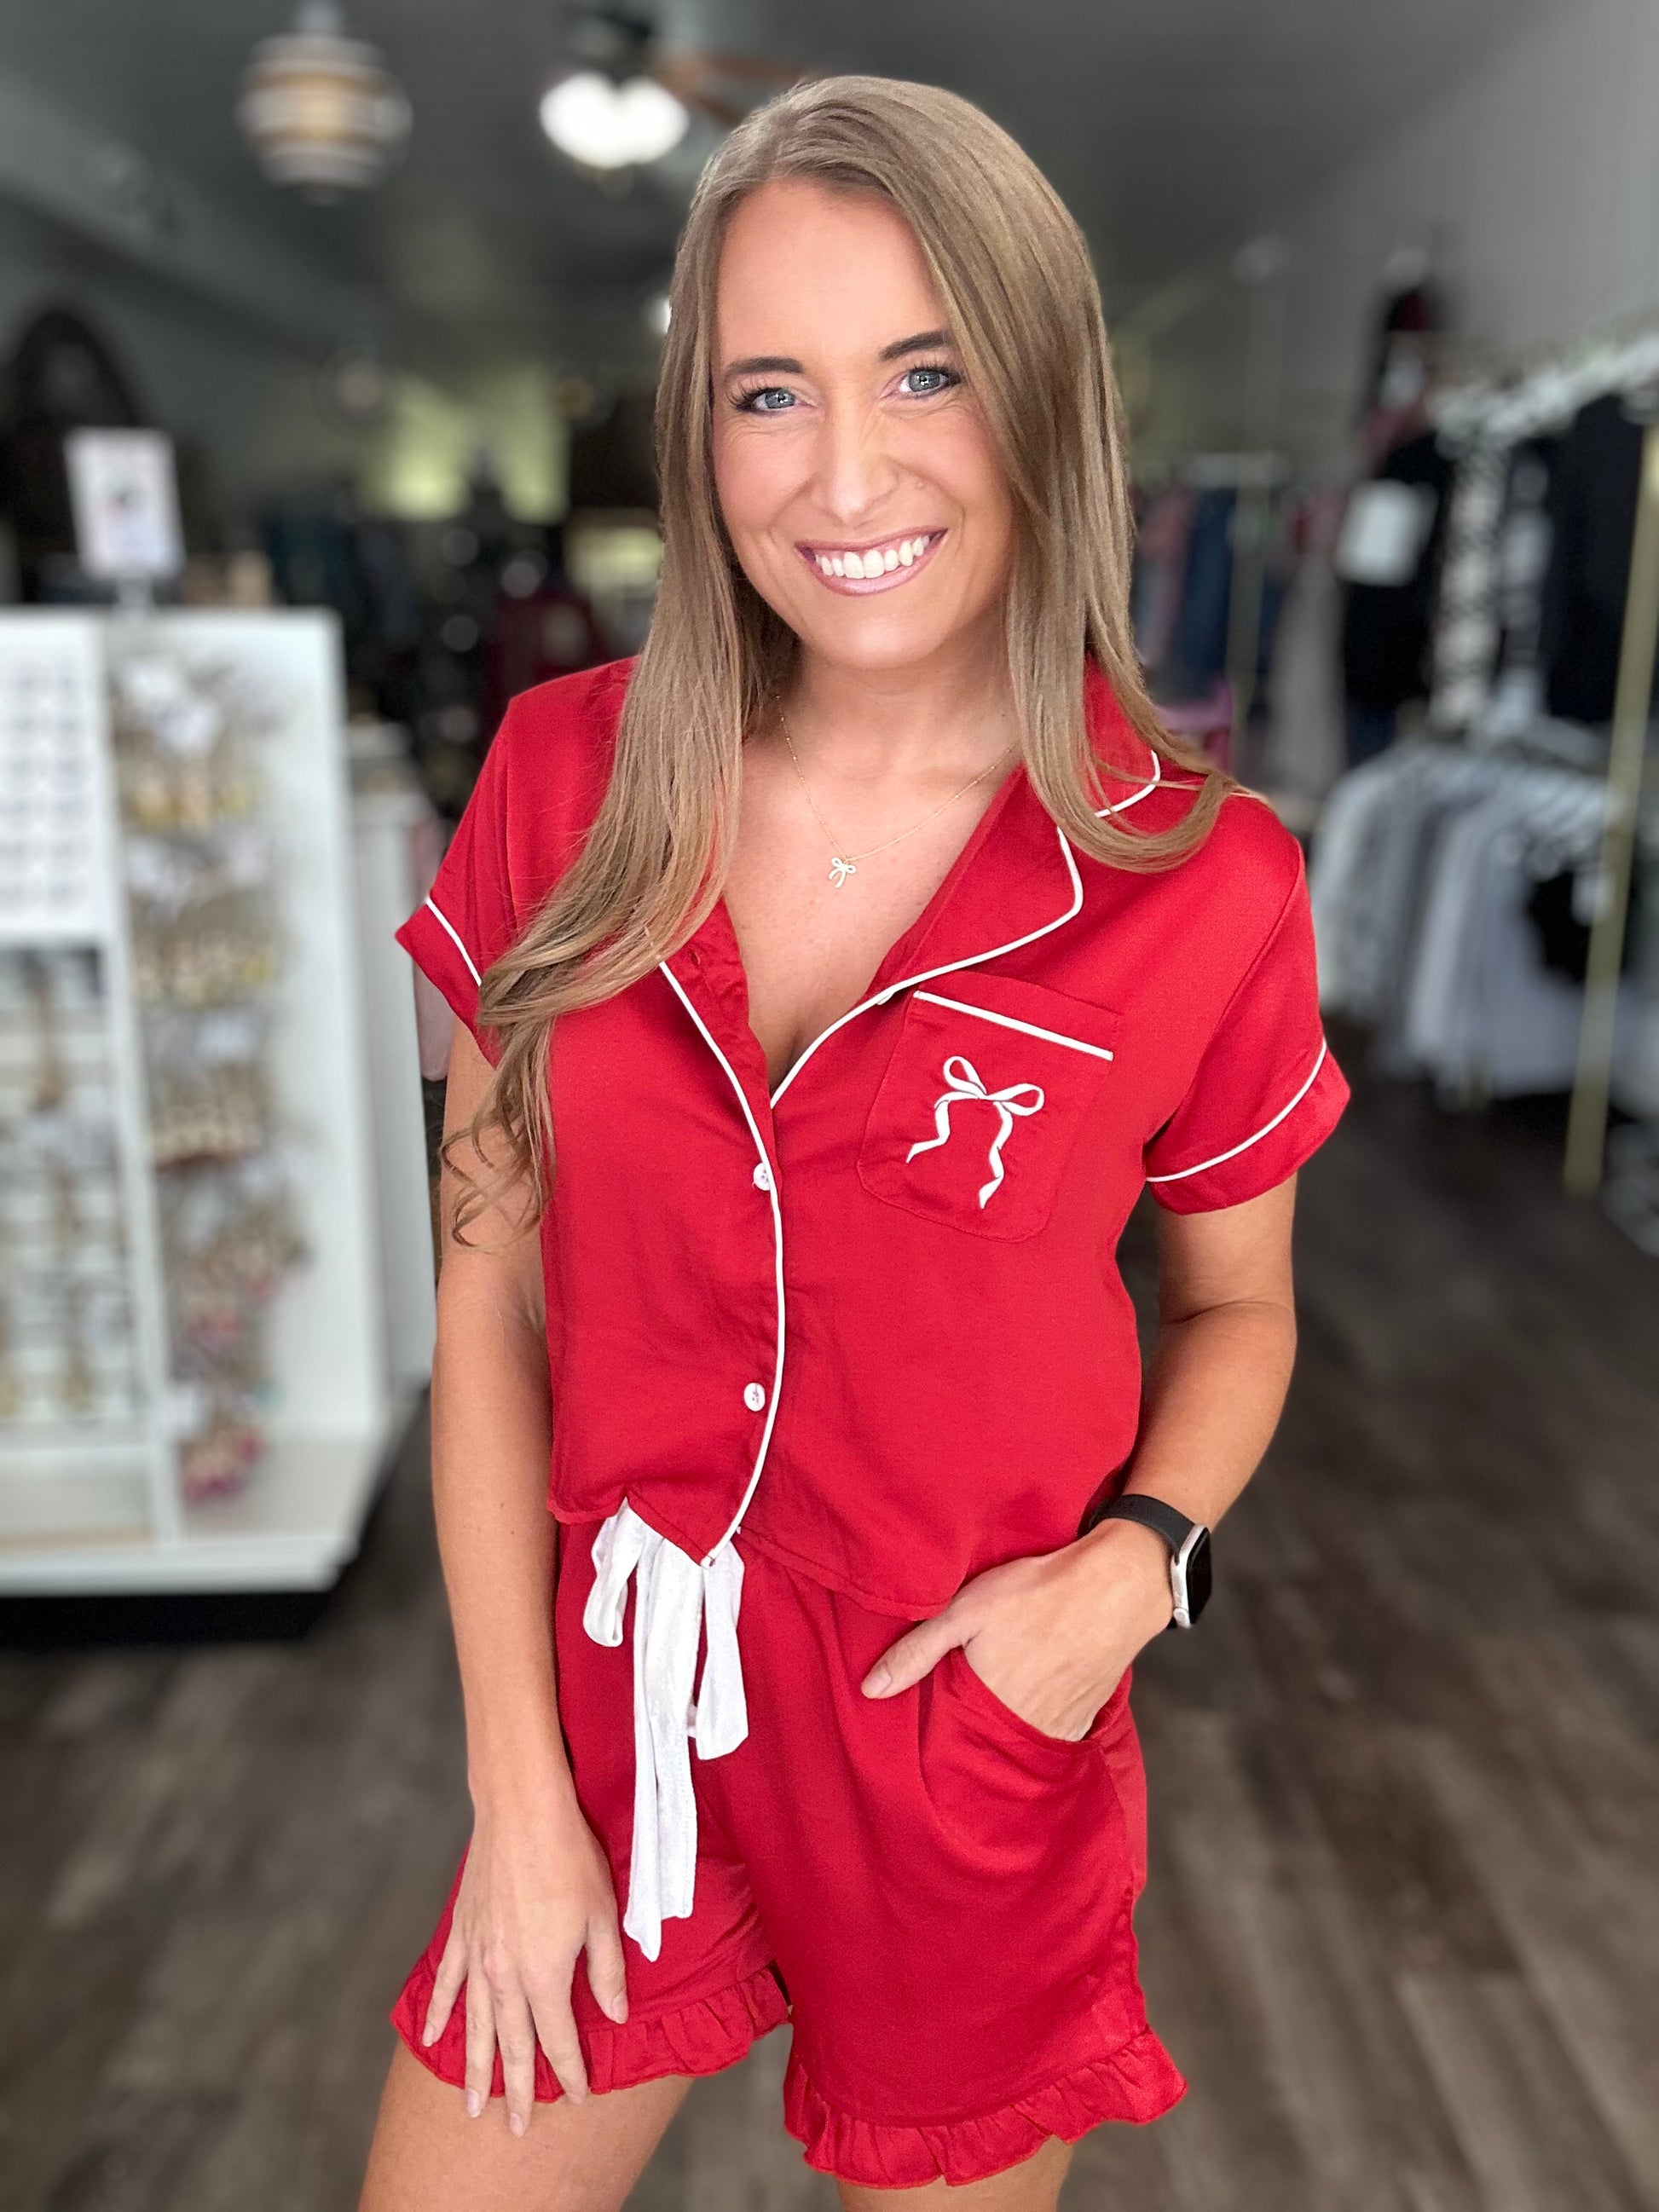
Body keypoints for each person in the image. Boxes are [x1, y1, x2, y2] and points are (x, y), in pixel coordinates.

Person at [359, 74, 1349, 2212]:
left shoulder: (1203, 879)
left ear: (1046, 399)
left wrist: (1132, 1567)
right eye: (767, 393)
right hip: (613, 1725)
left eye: (926, 372)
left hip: (956, 1735)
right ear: (696, 438)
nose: (844, 473)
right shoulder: (559, 780)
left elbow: (1240, 1308)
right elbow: (487, 1301)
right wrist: (518, 1791)